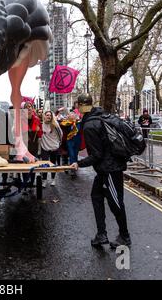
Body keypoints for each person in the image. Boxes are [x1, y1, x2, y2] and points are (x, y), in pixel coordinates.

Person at [70, 94, 131, 249]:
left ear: (81, 106)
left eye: (77, 105)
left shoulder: (90, 125)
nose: (76, 107)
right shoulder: (100, 114)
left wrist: (78, 163)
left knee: (116, 204)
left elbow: (97, 155)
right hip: (106, 168)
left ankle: (125, 236)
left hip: (110, 169)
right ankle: (101, 234)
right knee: (96, 196)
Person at [22, 101, 43, 193]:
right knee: (24, 166)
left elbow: (40, 134)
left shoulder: (37, 119)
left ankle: (31, 183)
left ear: (32, 108)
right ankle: (25, 184)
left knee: (33, 165)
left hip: (34, 146)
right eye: (26, 107)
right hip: (24, 146)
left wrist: (38, 131)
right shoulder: (21, 119)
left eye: (30, 106)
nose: (29, 108)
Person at [40, 111, 63, 187]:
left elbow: (61, 135)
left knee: (53, 164)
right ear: (44, 116)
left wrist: (58, 143)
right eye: (47, 115)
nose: (49, 116)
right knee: (45, 165)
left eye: (50, 115)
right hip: (44, 147)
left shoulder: (55, 125)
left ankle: (53, 179)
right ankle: (44, 180)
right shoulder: (41, 125)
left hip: (54, 147)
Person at [60, 112, 82, 179]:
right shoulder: (66, 123)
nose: (71, 116)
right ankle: (72, 170)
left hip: (77, 141)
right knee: (72, 154)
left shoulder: (79, 123)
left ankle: (74, 167)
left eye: (73, 115)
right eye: (70, 115)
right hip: (69, 141)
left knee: (75, 154)